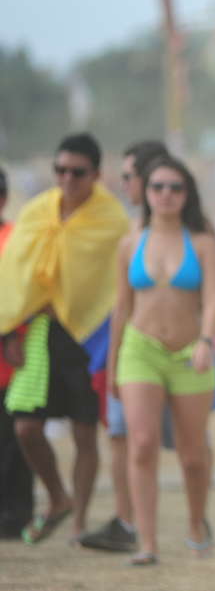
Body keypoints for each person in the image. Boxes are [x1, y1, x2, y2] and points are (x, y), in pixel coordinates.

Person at [0, 133, 130, 544]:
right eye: (60, 171)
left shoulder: (112, 221)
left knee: (84, 432)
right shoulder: (37, 212)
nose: (67, 179)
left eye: (77, 172)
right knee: (25, 427)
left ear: (96, 174)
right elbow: (16, 278)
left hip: (91, 336)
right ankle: (59, 497)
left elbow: (113, 284)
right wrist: (10, 331)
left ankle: (79, 522)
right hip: (40, 332)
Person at [107, 155, 215, 565]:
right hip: (140, 351)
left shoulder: (205, 242)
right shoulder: (130, 242)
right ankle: (148, 542)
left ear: (187, 193)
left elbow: (214, 298)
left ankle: (196, 522)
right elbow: (121, 308)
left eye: (175, 187)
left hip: (190, 351)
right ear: (146, 192)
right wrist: (111, 366)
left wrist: (207, 340)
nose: (166, 195)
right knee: (141, 443)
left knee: (193, 455)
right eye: (158, 187)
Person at [78, 140, 169, 553]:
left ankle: (173, 523)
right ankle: (127, 521)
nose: (124, 183)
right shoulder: (129, 230)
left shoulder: (175, 233)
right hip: (127, 348)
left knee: (170, 444)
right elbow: (120, 305)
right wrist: (112, 361)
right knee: (121, 436)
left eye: (129, 176)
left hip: (167, 350)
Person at [0, 167, 35, 539]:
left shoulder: (14, 240)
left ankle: (16, 514)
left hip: (9, 356)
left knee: (11, 439)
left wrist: (15, 335)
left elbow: (23, 295)